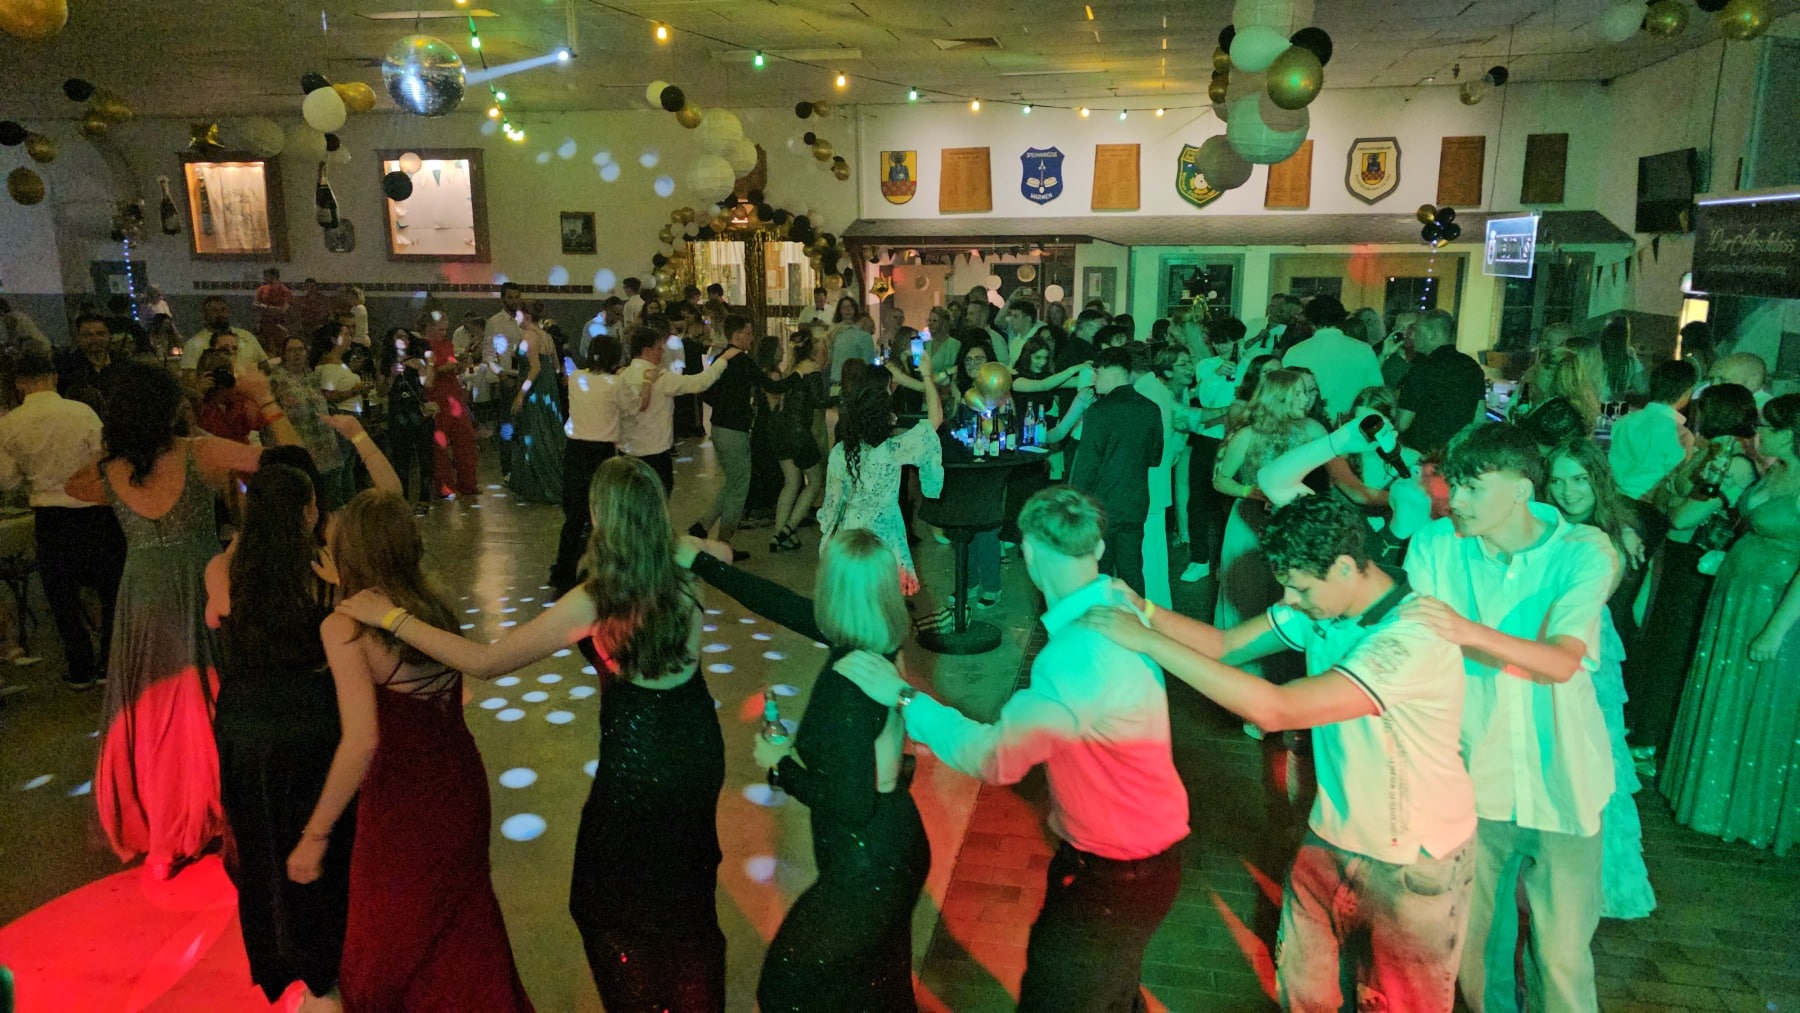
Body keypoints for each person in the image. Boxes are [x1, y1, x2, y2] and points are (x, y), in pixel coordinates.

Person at [337, 459, 724, 1008]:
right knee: (688, 890)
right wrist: (688, 546)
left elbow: (487, 662)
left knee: (604, 905)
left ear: (602, 518)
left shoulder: (596, 599)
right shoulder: (686, 567)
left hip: (637, 765)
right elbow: (723, 552)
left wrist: (392, 618)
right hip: (698, 747)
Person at [1081, 494, 1475, 1012]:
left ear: (1345, 567)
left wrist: (1147, 641)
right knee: (1303, 994)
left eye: (1301, 587)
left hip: (1411, 864)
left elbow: (1276, 709)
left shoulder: (1409, 637)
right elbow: (1224, 647)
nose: (1290, 599)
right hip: (1330, 836)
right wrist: (1145, 610)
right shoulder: (1325, 604)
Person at [834, 485, 1188, 1012]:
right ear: (1095, 548)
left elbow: (994, 758)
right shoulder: (1117, 603)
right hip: (1145, 858)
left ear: (1029, 553)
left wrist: (905, 697)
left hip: (1114, 873)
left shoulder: (1073, 657)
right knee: (1111, 991)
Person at [1400, 423, 1618, 1012]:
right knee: (1475, 952)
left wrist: (1463, 630)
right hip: (1475, 774)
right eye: (1454, 485)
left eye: (1473, 487)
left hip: (1563, 777)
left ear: (1521, 488)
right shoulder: (1436, 546)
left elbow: (1561, 661)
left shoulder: (1583, 551)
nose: (1455, 499)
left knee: (1563, 958)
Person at [293, 490, 534, 1010]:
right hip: (459, 785)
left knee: (385, 941)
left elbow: (362, 740)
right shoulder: (434, 604)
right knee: (462, 925)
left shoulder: (343, 629)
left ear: (348, 555)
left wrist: (315, 834)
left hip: (400, 804)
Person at [64, 362, 299, 881]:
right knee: (207, 696)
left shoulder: (111, 469)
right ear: (172, 407)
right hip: (200, 580)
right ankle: (218, 814)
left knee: (153, 707)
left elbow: (71, 484)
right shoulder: (201, 452)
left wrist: (112, 448)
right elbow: (291, 462)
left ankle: (164, 834)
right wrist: (267, 403)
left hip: (142, 593)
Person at [684, 529, 930, 1012]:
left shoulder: (847, 686)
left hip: (868, 862)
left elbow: (851, 805)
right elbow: (779, 603)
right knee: (877, 985)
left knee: (786, 988)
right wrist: (701, 563)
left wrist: (780, 767)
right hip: (892, 842)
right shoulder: (875, 644)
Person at [206, 465, 350, 1013]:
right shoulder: (322, 570)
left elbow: (217, 617)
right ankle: (324, 970)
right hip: (311, 725)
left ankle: (280, 956)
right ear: (309, 509)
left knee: (261, 846)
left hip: (245, 728)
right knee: (321, 848)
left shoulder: (223, 569)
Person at [1661, 393, 1800, 857]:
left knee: (1759, 701)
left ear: (1792, 434)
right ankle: (1710, 803)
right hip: (1738, 594)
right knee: (1725, 692)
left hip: (1773, 602)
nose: (1758, 433)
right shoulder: (1775, 471)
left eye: (1769, 427)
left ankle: (1745, 811)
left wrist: (1775, 630)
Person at [1630, 383, 1760, 769]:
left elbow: (1681, 514)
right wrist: (1672, 501)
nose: (1692, 414)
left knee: (1674, 650)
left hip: (1698, 562)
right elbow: (1660, 496)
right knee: (1658, 643)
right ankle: (1645, 729)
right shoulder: (1709, 452)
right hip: (1678, 556)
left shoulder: (1733, 461)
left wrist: (1673, 501)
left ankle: (1653, 740)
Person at [0, 349, 126, 692]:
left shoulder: (9, 424)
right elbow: (106, 454)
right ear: (53, 377)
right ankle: (110, 662)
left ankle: (80, 667)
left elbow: (7, 481)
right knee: (109, 588)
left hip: (50, 514)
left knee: (62, 597)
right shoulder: (80, 411)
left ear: (19, 383)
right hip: (95, 509)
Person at [1213, 369, 1324, 682]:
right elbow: (1220, 480)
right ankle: (1242, 681)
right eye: (1298, 393)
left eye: (1308, 392)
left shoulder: (1313, 430)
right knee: (1248, 598)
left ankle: (1284, 681)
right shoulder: (1248, 435)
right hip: (1249, 523)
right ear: (1279, 397)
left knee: (1288, 599)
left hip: (1293, 523)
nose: (1306, 399)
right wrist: (1253, 492)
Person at [818, 365, 944, 596]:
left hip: (850, 535)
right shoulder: (893, 450)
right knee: (885, 597)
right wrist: (927, 375)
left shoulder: (839, 453)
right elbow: (935, 420)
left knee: (856, 598)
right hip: (886, 534)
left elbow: (831, 506)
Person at [1069, 347, 1164, 597]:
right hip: (1135, 502)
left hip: (1101, 506)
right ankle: (1136, 618)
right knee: (1132, 571)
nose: (1094, 379)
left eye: (1097, 373)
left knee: (1099, 573)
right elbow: (1155, 457)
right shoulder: (1151, 408)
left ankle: (1102, 620)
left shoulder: (1099, 411)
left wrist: (1074, 503)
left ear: (1110, 372)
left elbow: (1086, 465)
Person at [617, 324, 738, 493]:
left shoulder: (622, 375)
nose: (663, 352)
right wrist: (723, 360)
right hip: (654, 454)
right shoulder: (661, 378)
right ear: (646, 351)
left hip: (626, 452)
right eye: (659, 348)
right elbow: (700, 382)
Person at [551, 333, 626, 592]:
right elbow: (632, 406)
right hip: (602, 454)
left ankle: (564, 573)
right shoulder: (615, 383)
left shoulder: (576, 379)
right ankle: (603, 573)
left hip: (575, 451)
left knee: (574, 517)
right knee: (603, 517)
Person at [688, 313, 761, 550]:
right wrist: (799, 375)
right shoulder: (744, 362)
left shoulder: (721, 358)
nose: (751, 338)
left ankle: (703, 525)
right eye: (748, 334)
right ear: (737, 335)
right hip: (734, 431)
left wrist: (723, 405)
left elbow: (707, 391)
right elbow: (770, 385)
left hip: (718, 428)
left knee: (733, 481)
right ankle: (724, 543)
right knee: (739, 488)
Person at [766, 328, 828, 554]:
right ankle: (788, 529)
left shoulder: (790, 370)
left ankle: (778, 535)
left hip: (780, 431)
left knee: (791, 482)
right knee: (815, 481)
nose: (825, 355)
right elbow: (818, 403)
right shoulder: (812, 370)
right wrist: (842, 397)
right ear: (813, 350)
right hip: (799, 432)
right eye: (822, 350)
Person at [1279, 296, 1384, 422]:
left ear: (1310, 321)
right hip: (1351, 423)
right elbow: (1376, 393)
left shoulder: (1295, 352)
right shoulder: (1364, 350)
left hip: (1308, 423)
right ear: (1342, 318)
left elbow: (1283, 393)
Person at [1396, 309, 1486, 456]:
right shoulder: (1471, 366)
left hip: (1423, 455)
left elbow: (1402, 423)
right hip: (1456, 452)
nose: (1411, 336)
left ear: (1432, 335)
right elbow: (1480, 418)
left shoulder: (1422, 369)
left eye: (1417, 331)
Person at [1607, 358, 1697, 505]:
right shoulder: (1682, 436)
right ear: (1687, 393)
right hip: (1646, 507)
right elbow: (1677, 482)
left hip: (1611, 498)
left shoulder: (1624, 420)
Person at [505, 308, 568, 503]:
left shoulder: (529, 336)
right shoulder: (547, 336)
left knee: (534, 432)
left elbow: (535, 368)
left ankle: (539, 485)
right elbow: (556, 365)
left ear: (528, 317)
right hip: (549, 388)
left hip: (535, 389)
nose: (515, 318)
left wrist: (520, 395)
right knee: (548, 431)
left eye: (518, 315)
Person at [421, 313, 480, 499]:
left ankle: (468, 483)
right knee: (440, 444)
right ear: (430, 328)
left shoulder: (446, 344)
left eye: (445, 329)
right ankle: (445, 486)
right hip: (437, 396)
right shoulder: (424, 346)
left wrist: (457, 366)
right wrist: (446, 367)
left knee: (466, 438)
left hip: (453, 394)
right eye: (440, 329)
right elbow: (428, 373)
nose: (443, 333)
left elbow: (450, 364)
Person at [382, 330, 437, 512]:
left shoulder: (417, 360)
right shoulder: (387, 362)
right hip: (397, 413)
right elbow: (381, 390)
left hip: (418, 413)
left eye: (405, 336)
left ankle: (424, 499)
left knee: (425, 457)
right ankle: (403, 498)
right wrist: (391, 375)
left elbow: (428, 384)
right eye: (398, 336)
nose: (403, 340)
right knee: (400, 458)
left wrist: (423, 366)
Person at [56, 312, 125, 416]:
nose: (95, 339)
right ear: (78, 337)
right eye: (87, 335)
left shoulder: (122, 364)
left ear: (109, 335)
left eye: (100, 334)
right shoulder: (66, 368)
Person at [183, 297, 266, 370]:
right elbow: (189, 379)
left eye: (223, 309)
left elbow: (265, 367)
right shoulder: (193, 345)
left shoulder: (247, 336)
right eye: (214, 310)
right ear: (204, 314)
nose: (220, 314)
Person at [1595, 315, 1645, 402]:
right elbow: (1642, 390)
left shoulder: (1593, 358)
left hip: (1591, 405)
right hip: (1615, 407)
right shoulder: (1632, 363)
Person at [1708, 351, 1773, 409]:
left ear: (1753, 381)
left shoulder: (1763, 409)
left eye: (1723, 380)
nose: (1713, 384)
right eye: (1711, 379)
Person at [253, 268, 292, 334]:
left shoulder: (285, 291)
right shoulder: (261, 289)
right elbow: (255, 305)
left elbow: (283, 310)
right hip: (263, 322)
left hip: (279, 322)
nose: (264, 278)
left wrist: (265, 306)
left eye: (266, 276)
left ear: (274, 276)